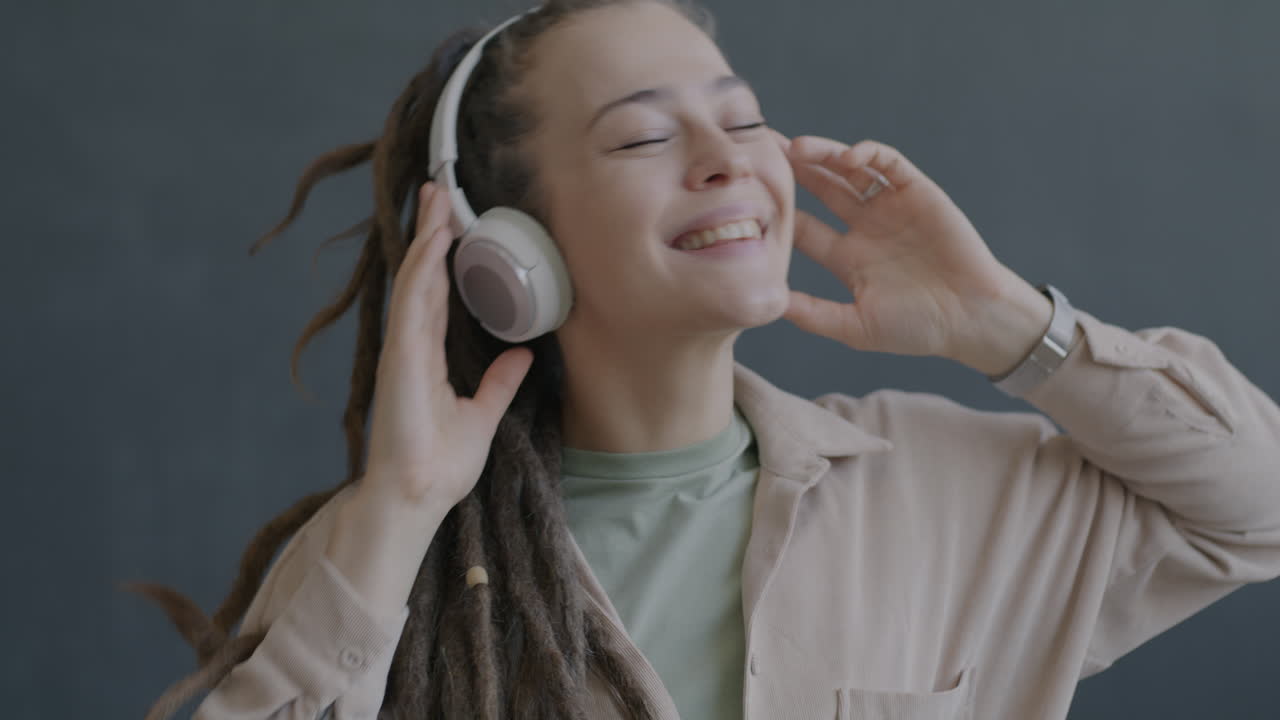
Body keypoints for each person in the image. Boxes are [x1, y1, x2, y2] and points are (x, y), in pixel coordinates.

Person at [130, 0, 1280, 718]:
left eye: (739, 117)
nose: (725, 158)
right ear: (506, 247)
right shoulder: (382, 556)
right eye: (639, 134)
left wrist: (1002, 323)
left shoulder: (945, 488)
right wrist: (398, 511)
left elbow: (1257, 509)